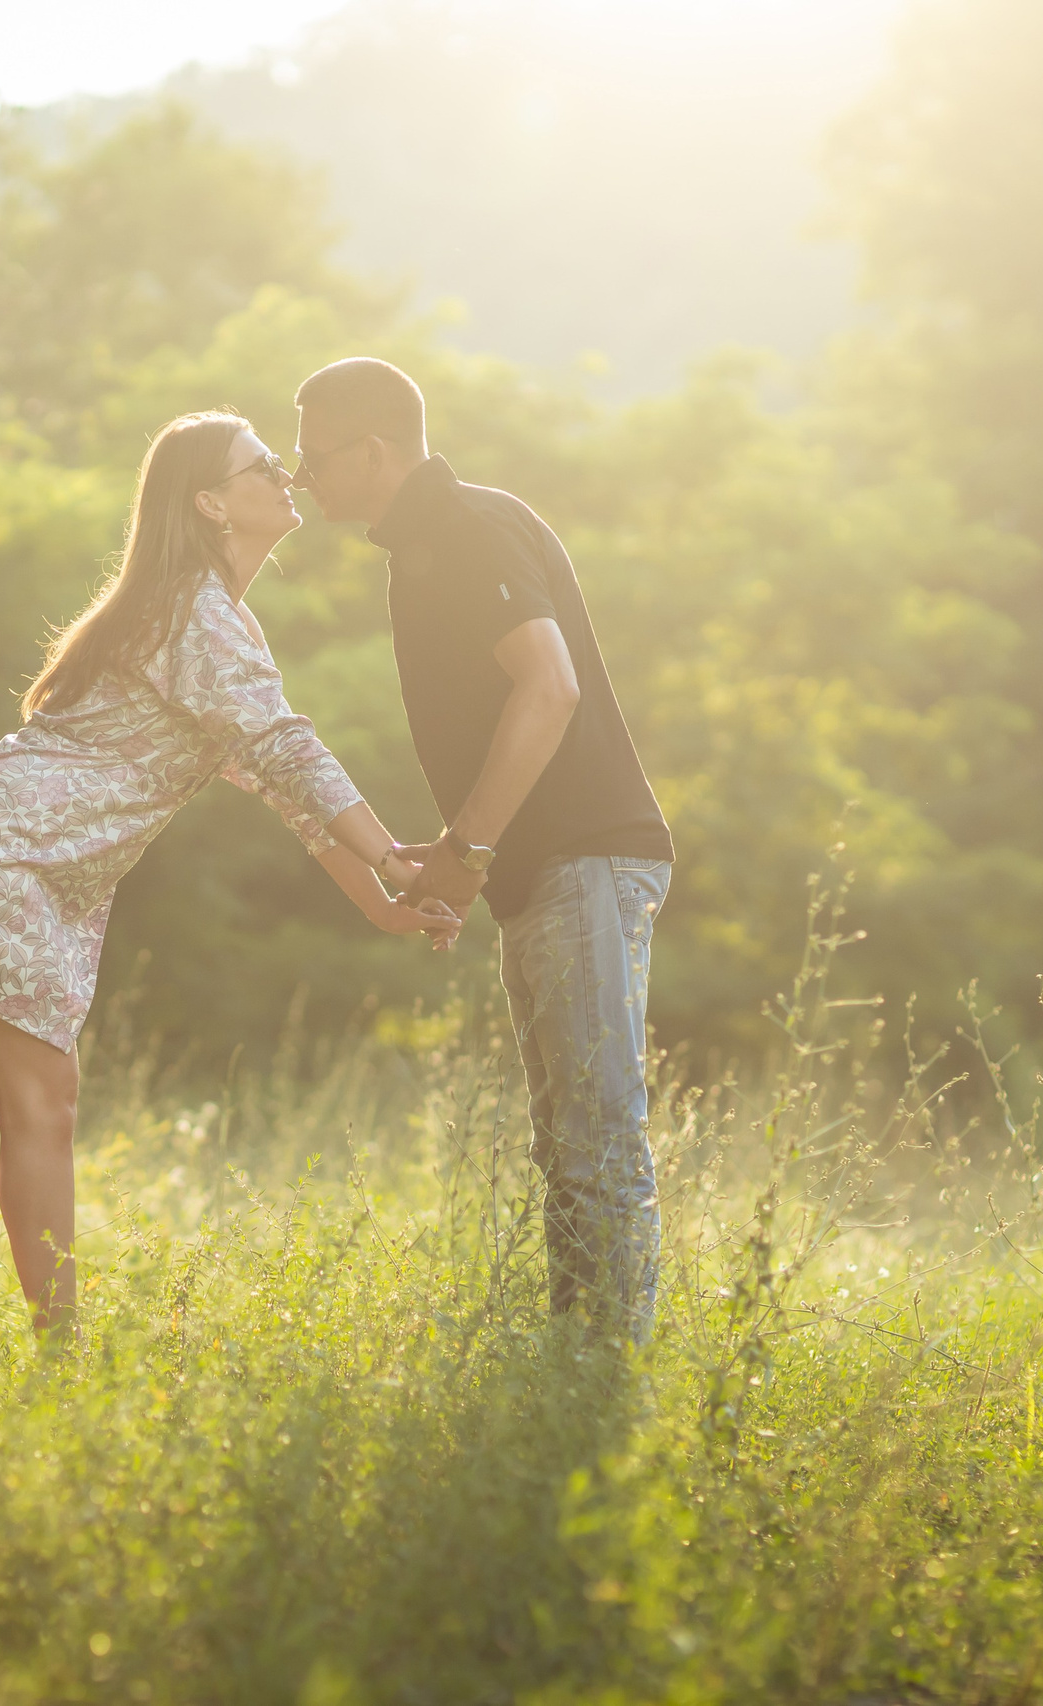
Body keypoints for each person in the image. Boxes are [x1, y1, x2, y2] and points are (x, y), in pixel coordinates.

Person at [0, 410, 459, 1387]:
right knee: (42, 1105)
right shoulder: (199, 613)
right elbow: (288, 746)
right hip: (1, 851)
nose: (285, 472)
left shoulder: (189, 612)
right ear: (210, 501)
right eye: (260, 464)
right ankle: (64, 1368)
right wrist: (390, 853)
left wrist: (379, 899)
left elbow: (278, 784)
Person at [290, 357, 678, 1348]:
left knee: (596, 1139)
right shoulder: (420, 545)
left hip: (582, 857)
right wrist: (466, 853)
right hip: (534, 870)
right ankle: (576, 1361)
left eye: (314, 455)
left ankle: (606, 1383)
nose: (302, 477)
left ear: (374, 450)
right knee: (563, 1145)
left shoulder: (468, 524)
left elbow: (547, 689)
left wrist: (468, 846)